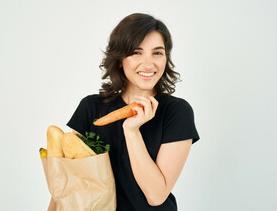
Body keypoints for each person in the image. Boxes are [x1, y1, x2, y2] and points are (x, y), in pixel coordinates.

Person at [67, 13, 200, 211]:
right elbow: (69, 181)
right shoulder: (91, 107)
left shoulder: (177, 112)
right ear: (119, 59)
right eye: (136, 52)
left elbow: (156, 195)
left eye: (157, 53)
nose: (148, 64)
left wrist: (131, 131)